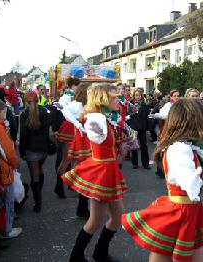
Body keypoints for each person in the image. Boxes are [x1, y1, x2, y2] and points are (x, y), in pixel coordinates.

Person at [122, 99, 203, 262]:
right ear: (191, 121)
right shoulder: (179, 148)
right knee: (172, 253)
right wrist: (191, 181)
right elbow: (182, 171)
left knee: (170, 251)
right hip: (181, 210)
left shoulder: (191, 145)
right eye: (202, 119)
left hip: (189, 208)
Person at [62, 84, 127, 262]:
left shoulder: (104, 118)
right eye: (114, 97)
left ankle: (99, 253)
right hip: (102, 173)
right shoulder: (96, 119)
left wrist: (122, 150)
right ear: (103, 99)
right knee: (96, 221)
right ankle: (76, 256)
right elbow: (96, 135)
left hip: (109, 169)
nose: (118, 100)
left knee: (117, 218)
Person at [59, 83, 91, 219]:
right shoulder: (77, 104)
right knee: (82, 169)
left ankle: (83, 206)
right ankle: (81, 206)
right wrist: (78, 124)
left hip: (88, 138)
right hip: (81, 137)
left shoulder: (89, 104)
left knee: (87, 170)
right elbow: (65, 111)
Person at [19, 91, 50, 212]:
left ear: (26, 101)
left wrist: (22, 152)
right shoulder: (44, 111)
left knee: (34, 174)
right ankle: (39, 196)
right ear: (37, 99)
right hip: (43, 148)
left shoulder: (24, 114)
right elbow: (47, 131)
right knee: (40, 169)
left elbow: (23, 135)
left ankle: (38, 203)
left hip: (31, 148)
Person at [0, 99, 21, 239]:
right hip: (4, 171)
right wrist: (15, 164)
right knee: (7, 202)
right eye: (3, 111)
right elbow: (8, 151)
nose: (5, 114)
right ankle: (7, 230)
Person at [129, 89, 150, 169]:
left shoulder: (145, 105)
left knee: (144, 145)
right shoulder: (131, 105)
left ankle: (146, 164)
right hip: (134, 127)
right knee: (134, 146)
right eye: (136, 95)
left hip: (142, 127)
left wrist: (148, 129)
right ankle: (135, 163)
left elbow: (147, 118)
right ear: (134, 96)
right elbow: (130, 116)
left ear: (141, 96)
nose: (137, 97)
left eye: (139, 95)